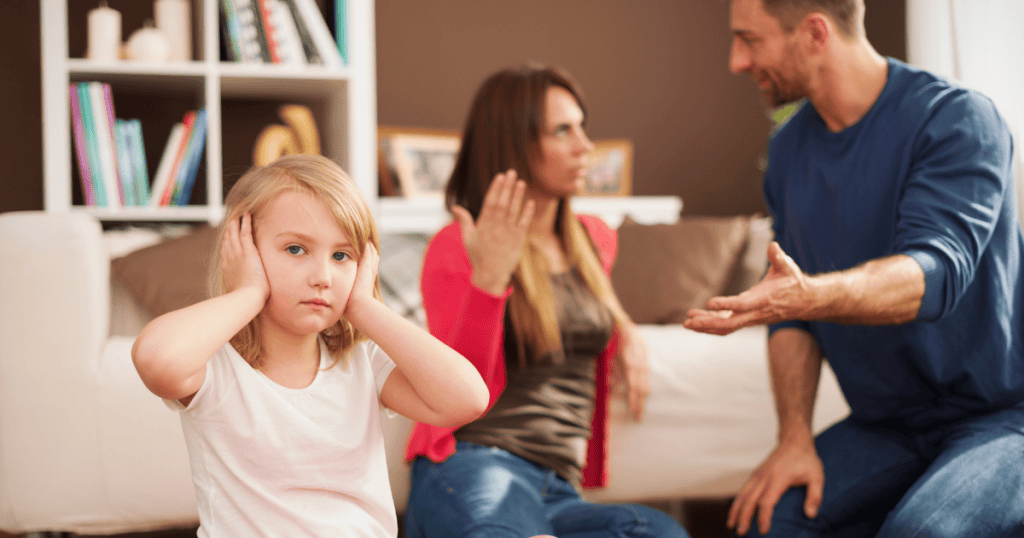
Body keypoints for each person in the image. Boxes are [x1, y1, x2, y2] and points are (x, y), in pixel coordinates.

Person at [684, 0, 1024, 536]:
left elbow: (936, 275)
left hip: (1002, 418)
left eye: (750, 39)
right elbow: (789, 307)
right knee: (765, 526)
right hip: (887, 427)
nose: (736, 61)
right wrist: (793, 437)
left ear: (815, 33)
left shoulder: (957, 119)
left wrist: (809, 297)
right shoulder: (789, 150)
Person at [131, 154, 489, 537]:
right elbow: (157, 359)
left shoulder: (361, 363)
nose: (322, 277)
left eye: (341, 256)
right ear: (243, 251)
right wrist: (250, 291)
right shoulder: (215, 367)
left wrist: (364, 307)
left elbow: (466, 399)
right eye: (296, 250)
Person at [402, 65, 691, 538]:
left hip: (557, 487)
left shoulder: (593, 239)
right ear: (515, 144)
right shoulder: (456, 246)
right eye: (563, 131)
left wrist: (628, 331)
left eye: (582, 126)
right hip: (471, 465)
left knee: (662, 534)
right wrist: (491, 278)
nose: (585, 146)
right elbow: (455, 389)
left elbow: (589, 312)